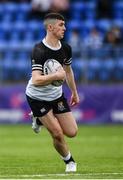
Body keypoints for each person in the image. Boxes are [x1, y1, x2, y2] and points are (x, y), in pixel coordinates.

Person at [25, 12, 80, 172]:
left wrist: (74, 93)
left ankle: (39, 119)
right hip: (37, 97)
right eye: (61, 25)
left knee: (72, 132)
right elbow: (36, 79)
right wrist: (56, 75)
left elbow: (68, 72)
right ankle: (70, 161)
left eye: (64, 25)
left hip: (56, 96)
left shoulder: (66, 48)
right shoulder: (39, 50)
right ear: (50, 27)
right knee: (57, 133)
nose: (65, 28)